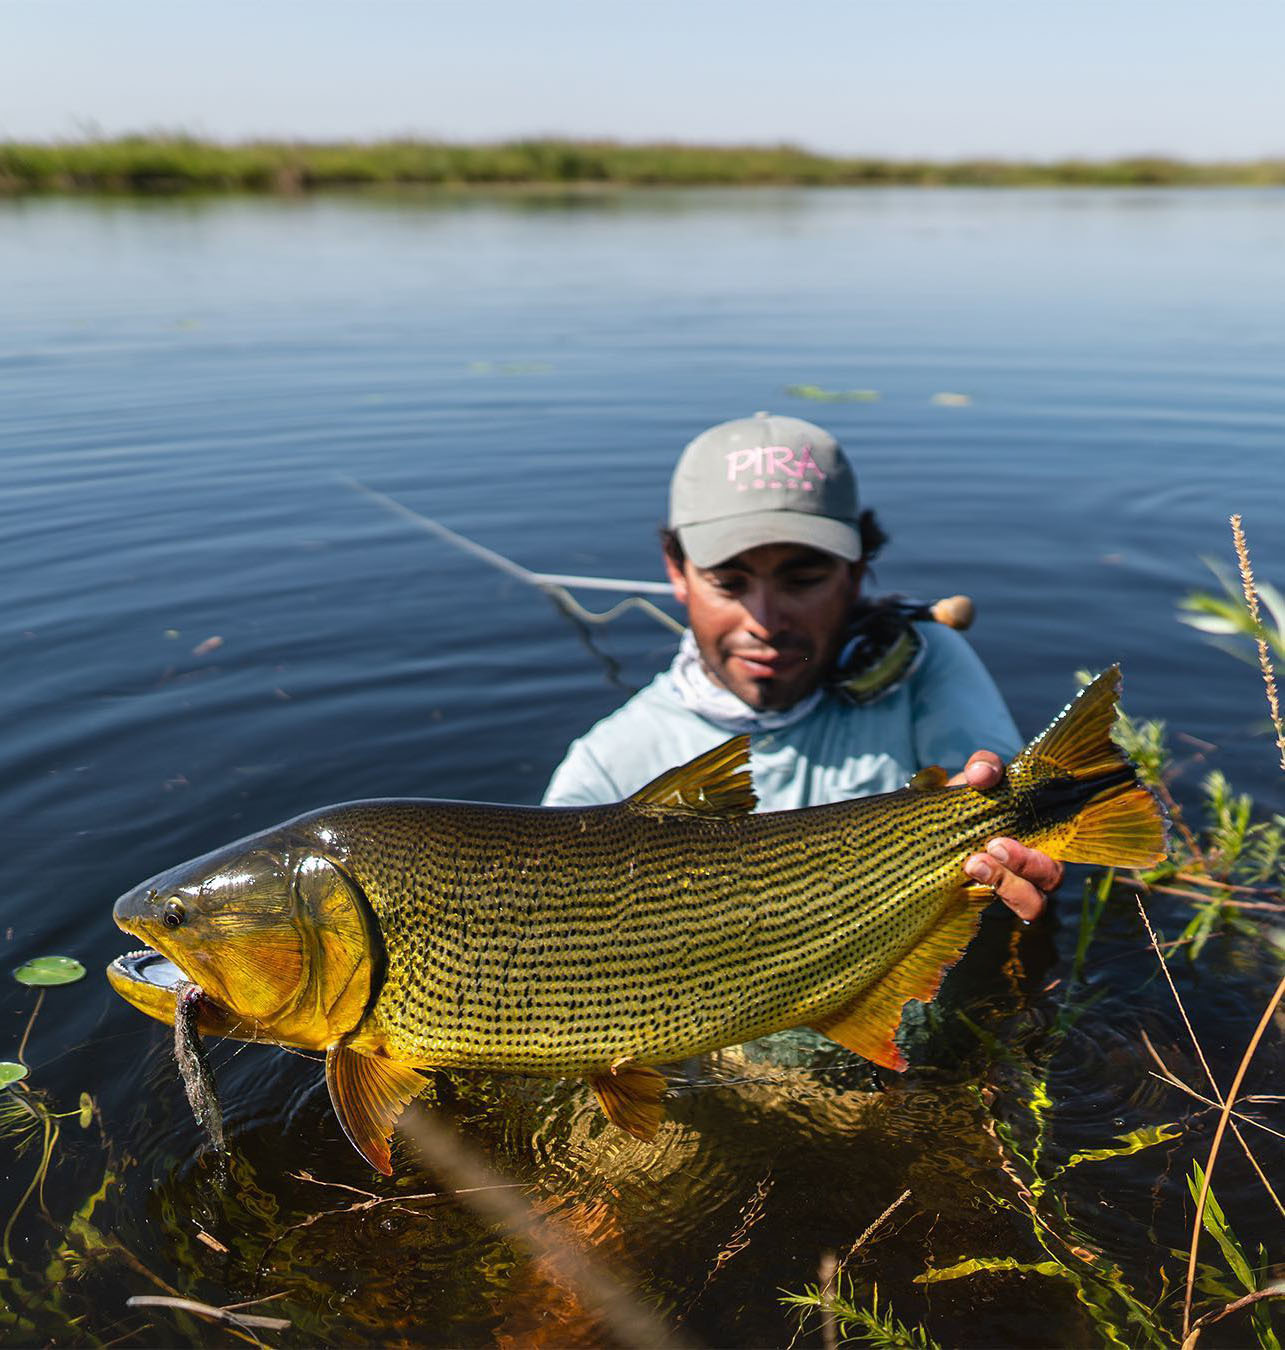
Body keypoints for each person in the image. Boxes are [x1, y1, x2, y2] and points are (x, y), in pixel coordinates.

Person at [543, 412, 1061, 921]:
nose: (765, 622)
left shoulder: (924, 663)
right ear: (676, 571)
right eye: (730, 583)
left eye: (802, 580)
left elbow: (1016, 816)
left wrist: (1016, 834)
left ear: (855, 573)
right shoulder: (605, 767)